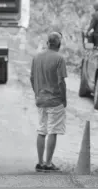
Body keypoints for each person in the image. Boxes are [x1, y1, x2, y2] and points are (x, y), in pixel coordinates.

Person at [30, 32, 67, 173]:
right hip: (55, 100)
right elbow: (61, 82)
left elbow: (32, 78)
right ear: (59, 44)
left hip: (41, 99)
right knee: (53, 131)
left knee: (41, 130)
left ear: (48, 43)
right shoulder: (59, 59)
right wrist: (64, 99)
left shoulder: (37, 57)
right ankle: (48, 163)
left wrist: (37, 94)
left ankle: (40, 163)